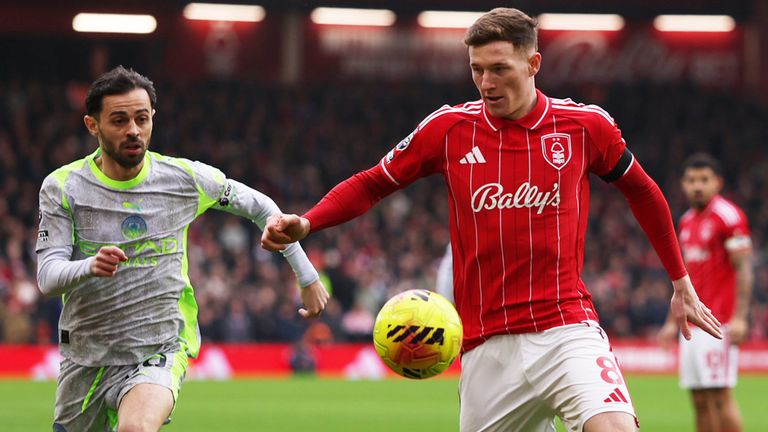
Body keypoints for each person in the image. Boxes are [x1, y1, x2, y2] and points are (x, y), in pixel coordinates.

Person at [261, 8, 723, 432]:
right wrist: (309, 222)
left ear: (533, 64)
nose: (485, 82)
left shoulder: (584, 127)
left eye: (499, 68)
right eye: (477, 69)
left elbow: (642, 190)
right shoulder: (447, 129)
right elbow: (372, 182)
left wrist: (679, 280)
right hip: (485, 347)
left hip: (565, 329)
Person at [36, 66, 329, 432]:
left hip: (158, 347)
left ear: (152, 118)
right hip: (86, 353)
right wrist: (90, 265)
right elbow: (48, 277)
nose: (133, 130)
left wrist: (306, 275)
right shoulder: (63, 187)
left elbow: (264, 209)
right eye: (119, 120)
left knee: (135, 429)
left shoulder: (185, 179)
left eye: (142, 119)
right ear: (92, 125)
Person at [658, 153, 753, 432]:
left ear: (718, 183)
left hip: (718, 322)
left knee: (720, 396)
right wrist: (670, 322)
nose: (697, 186)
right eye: (691, 180)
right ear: (683, 184)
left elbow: (744, 268)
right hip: (692, 324)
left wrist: (740, 317)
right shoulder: (686, 221)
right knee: (698, 398)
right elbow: (683, 279)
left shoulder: (729, 216)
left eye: (704, 180)